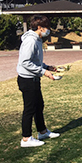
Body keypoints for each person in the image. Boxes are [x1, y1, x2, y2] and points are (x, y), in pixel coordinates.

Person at [17, 15, 60, 148]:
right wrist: (44, 72)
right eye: (46, 27)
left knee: (39, 105)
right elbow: (25, 62)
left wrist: (47, 67)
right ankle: (26, 138)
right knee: (29, 108)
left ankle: (42, 131)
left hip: (34, 78)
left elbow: (35, 60)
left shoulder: (37, 39)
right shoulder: (30, 41)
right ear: (40, 27)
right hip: (27, 79)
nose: (48, 30)